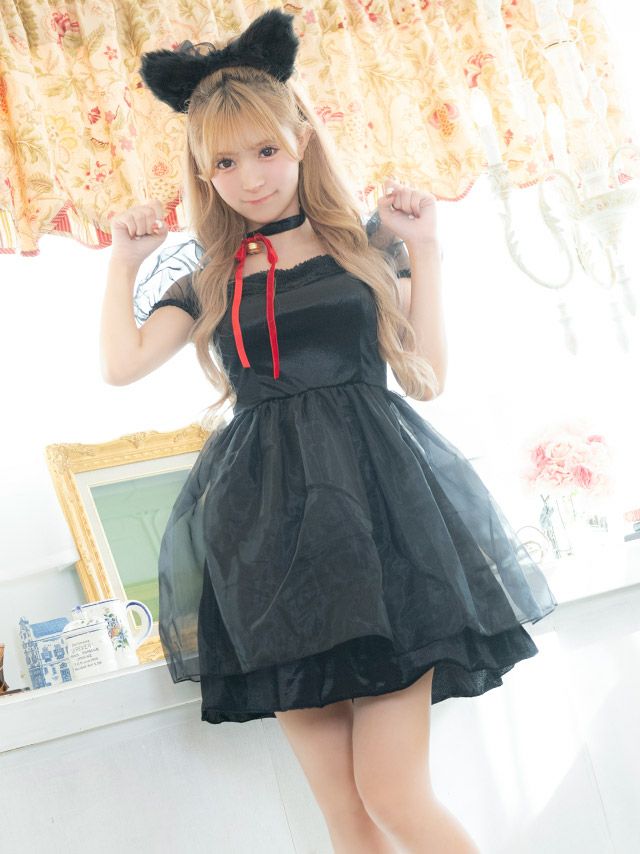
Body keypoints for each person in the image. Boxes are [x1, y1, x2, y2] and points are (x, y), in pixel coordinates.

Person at [101, 10, 557, 853]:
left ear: (302, 139)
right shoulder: (207, 276)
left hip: (382, 529)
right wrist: (123, 262)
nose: (250, 177)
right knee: (346, 818)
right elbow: (122, 365)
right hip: (267, 547)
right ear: (203, 172)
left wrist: (427, 251)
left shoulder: (365, 245)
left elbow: (425, 376)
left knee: (392, 793)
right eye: (224, 162)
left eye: (265, 151)